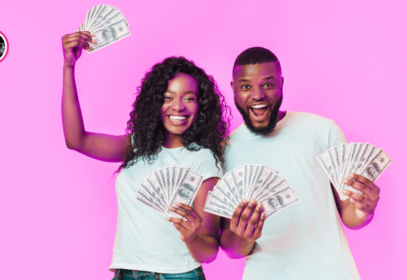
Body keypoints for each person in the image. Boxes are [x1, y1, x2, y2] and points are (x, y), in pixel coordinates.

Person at [61, 31, 229, 280]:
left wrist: (192, 237)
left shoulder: (203, 160)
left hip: (176, 275)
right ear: (154, 103)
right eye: (168, 97)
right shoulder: (137, 146)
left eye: (189, 98)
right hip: (126, 272)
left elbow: (209, 251)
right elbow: (77, 140)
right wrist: (68, 67)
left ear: (201, 105)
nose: (178, 106)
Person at [220, 47, 381, 279]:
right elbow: (230, 246)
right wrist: (243, 237)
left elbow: (349, 213)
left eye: (267, 84)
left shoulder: (323, 131)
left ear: (281, 84)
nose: (257, 95)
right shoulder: (225, 152)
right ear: (234, 89)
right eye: (246, 86)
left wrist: (363, 209)